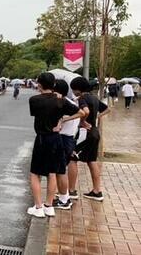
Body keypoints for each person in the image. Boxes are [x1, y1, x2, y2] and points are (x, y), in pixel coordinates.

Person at [27, 72, 83, 218]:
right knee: (52, 172)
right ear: (53, 85)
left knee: (35, 173)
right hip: (56, 138)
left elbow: (37, 114)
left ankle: (38, 207)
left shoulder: (34, 100)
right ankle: (49, 205)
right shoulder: (61, 101)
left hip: (42, 138)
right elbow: (81, 113)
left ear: (39, 84)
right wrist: (63, 120)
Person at [68, 76, 110, 202]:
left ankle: (71, 191)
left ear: (77, 89)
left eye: (73, 89)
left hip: (85, 133)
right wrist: (97, 118)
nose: (73, 91)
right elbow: (108, 109)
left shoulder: (82, 98)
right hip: (95, 132)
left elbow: (85, 111)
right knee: (91, 160)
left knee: (72, 158)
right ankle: (97, 191)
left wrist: (82, 121)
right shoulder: (94, 98)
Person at [52, 80, 84, 210]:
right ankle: (62, 197)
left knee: (60, 171)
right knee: (59, 170)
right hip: (67, 139)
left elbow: (82, 112)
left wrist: (65, 119)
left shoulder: (66, 104)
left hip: (64, 139)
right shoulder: (69, 103)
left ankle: (64, 199)